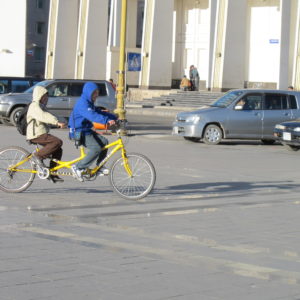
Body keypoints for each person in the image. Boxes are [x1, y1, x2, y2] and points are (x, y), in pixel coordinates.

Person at [68, 82, 117, 181]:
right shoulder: (83, 103)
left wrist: (115, 117)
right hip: (77, 132)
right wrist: (106, 120)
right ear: (88, 93)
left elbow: (97, 112)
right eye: (94, 93)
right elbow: (92, 116)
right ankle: (78, 167)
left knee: (104, 142)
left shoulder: (89, 102)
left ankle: (99, 166)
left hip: (85, 130)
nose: (96, 95)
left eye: (97, 93)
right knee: (96, 148)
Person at [26, 86, 66, 183]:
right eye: (44, 97)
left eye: (47, 97)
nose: (46, 99)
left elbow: (52, 115)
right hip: (36, 134)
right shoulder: (34, 106)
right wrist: (56, 122)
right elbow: (44, 116)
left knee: (58, 149)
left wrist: (64, 121)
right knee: (57, 142)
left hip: (41, 133)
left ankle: (52, 172)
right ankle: (37, 156)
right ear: (39, 96)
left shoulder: (41, 106)